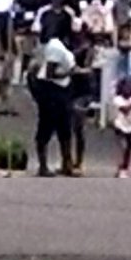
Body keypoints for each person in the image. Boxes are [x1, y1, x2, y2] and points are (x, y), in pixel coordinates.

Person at [31, 30, 76, 177]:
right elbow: (50, 73)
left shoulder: (60, 47)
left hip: (61, 91)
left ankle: (66, 164)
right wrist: (69, 73)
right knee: (46, 128)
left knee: (65, 129)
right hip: (53, 92)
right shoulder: (56, 47)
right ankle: (43, 166)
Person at [111, 76, 131, 177]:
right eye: (126, 86)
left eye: (130, 86)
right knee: (123, 148)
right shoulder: (117, 99)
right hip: (120, 126)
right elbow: (125, 109)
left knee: (130, 148)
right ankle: (120, 168)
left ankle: (126, 167)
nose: (128, 89)